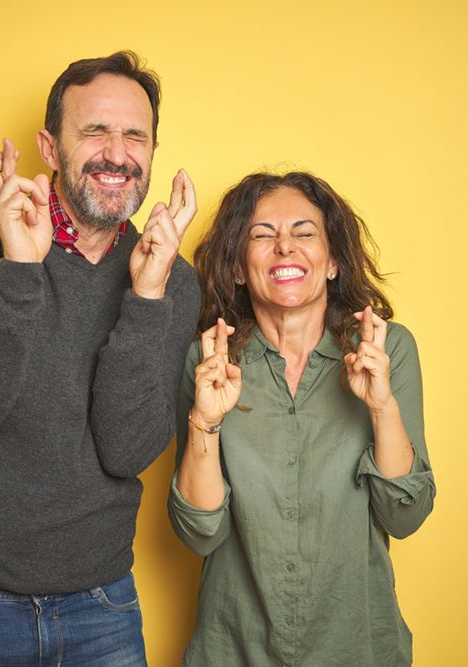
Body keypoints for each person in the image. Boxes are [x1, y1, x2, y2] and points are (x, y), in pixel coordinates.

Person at [0, 51, 201, 666]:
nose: (117, 154)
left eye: (135, 136)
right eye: (95, 131)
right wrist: (20, 267)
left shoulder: (171, 279)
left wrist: (146, 297)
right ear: (50, 147)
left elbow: (125, 450)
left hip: (101, 606)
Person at [168, 171, 435, 666]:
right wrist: (205, 420)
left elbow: (405, 517)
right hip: (234, 650)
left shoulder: (386, 350)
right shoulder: (208, 361)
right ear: (238, 268)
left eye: (304, 232)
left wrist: (382, 406)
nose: (285, 246)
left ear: (333, 262)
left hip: (358, 650)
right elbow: (199, 534)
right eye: (262, 234)